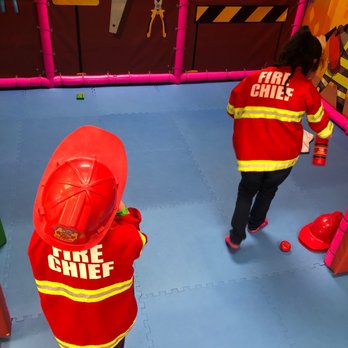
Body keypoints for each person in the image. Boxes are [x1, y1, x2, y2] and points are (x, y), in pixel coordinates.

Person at [28, 125, 147, 348]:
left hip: (67, 334)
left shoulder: (37, 243)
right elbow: (138, 240)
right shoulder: (124, 239)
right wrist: (122, 212)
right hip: (111, 332)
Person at [225, 26, 334, 250]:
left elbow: (232, 109)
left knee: (246, 191)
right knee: (269, 190)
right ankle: (255, 223)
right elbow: (322, 128)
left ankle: (236, 238)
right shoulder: (306, 89)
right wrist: (322, 146)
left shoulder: (254, 77)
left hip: (251, 155)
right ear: (311, 63)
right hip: (283, 158)